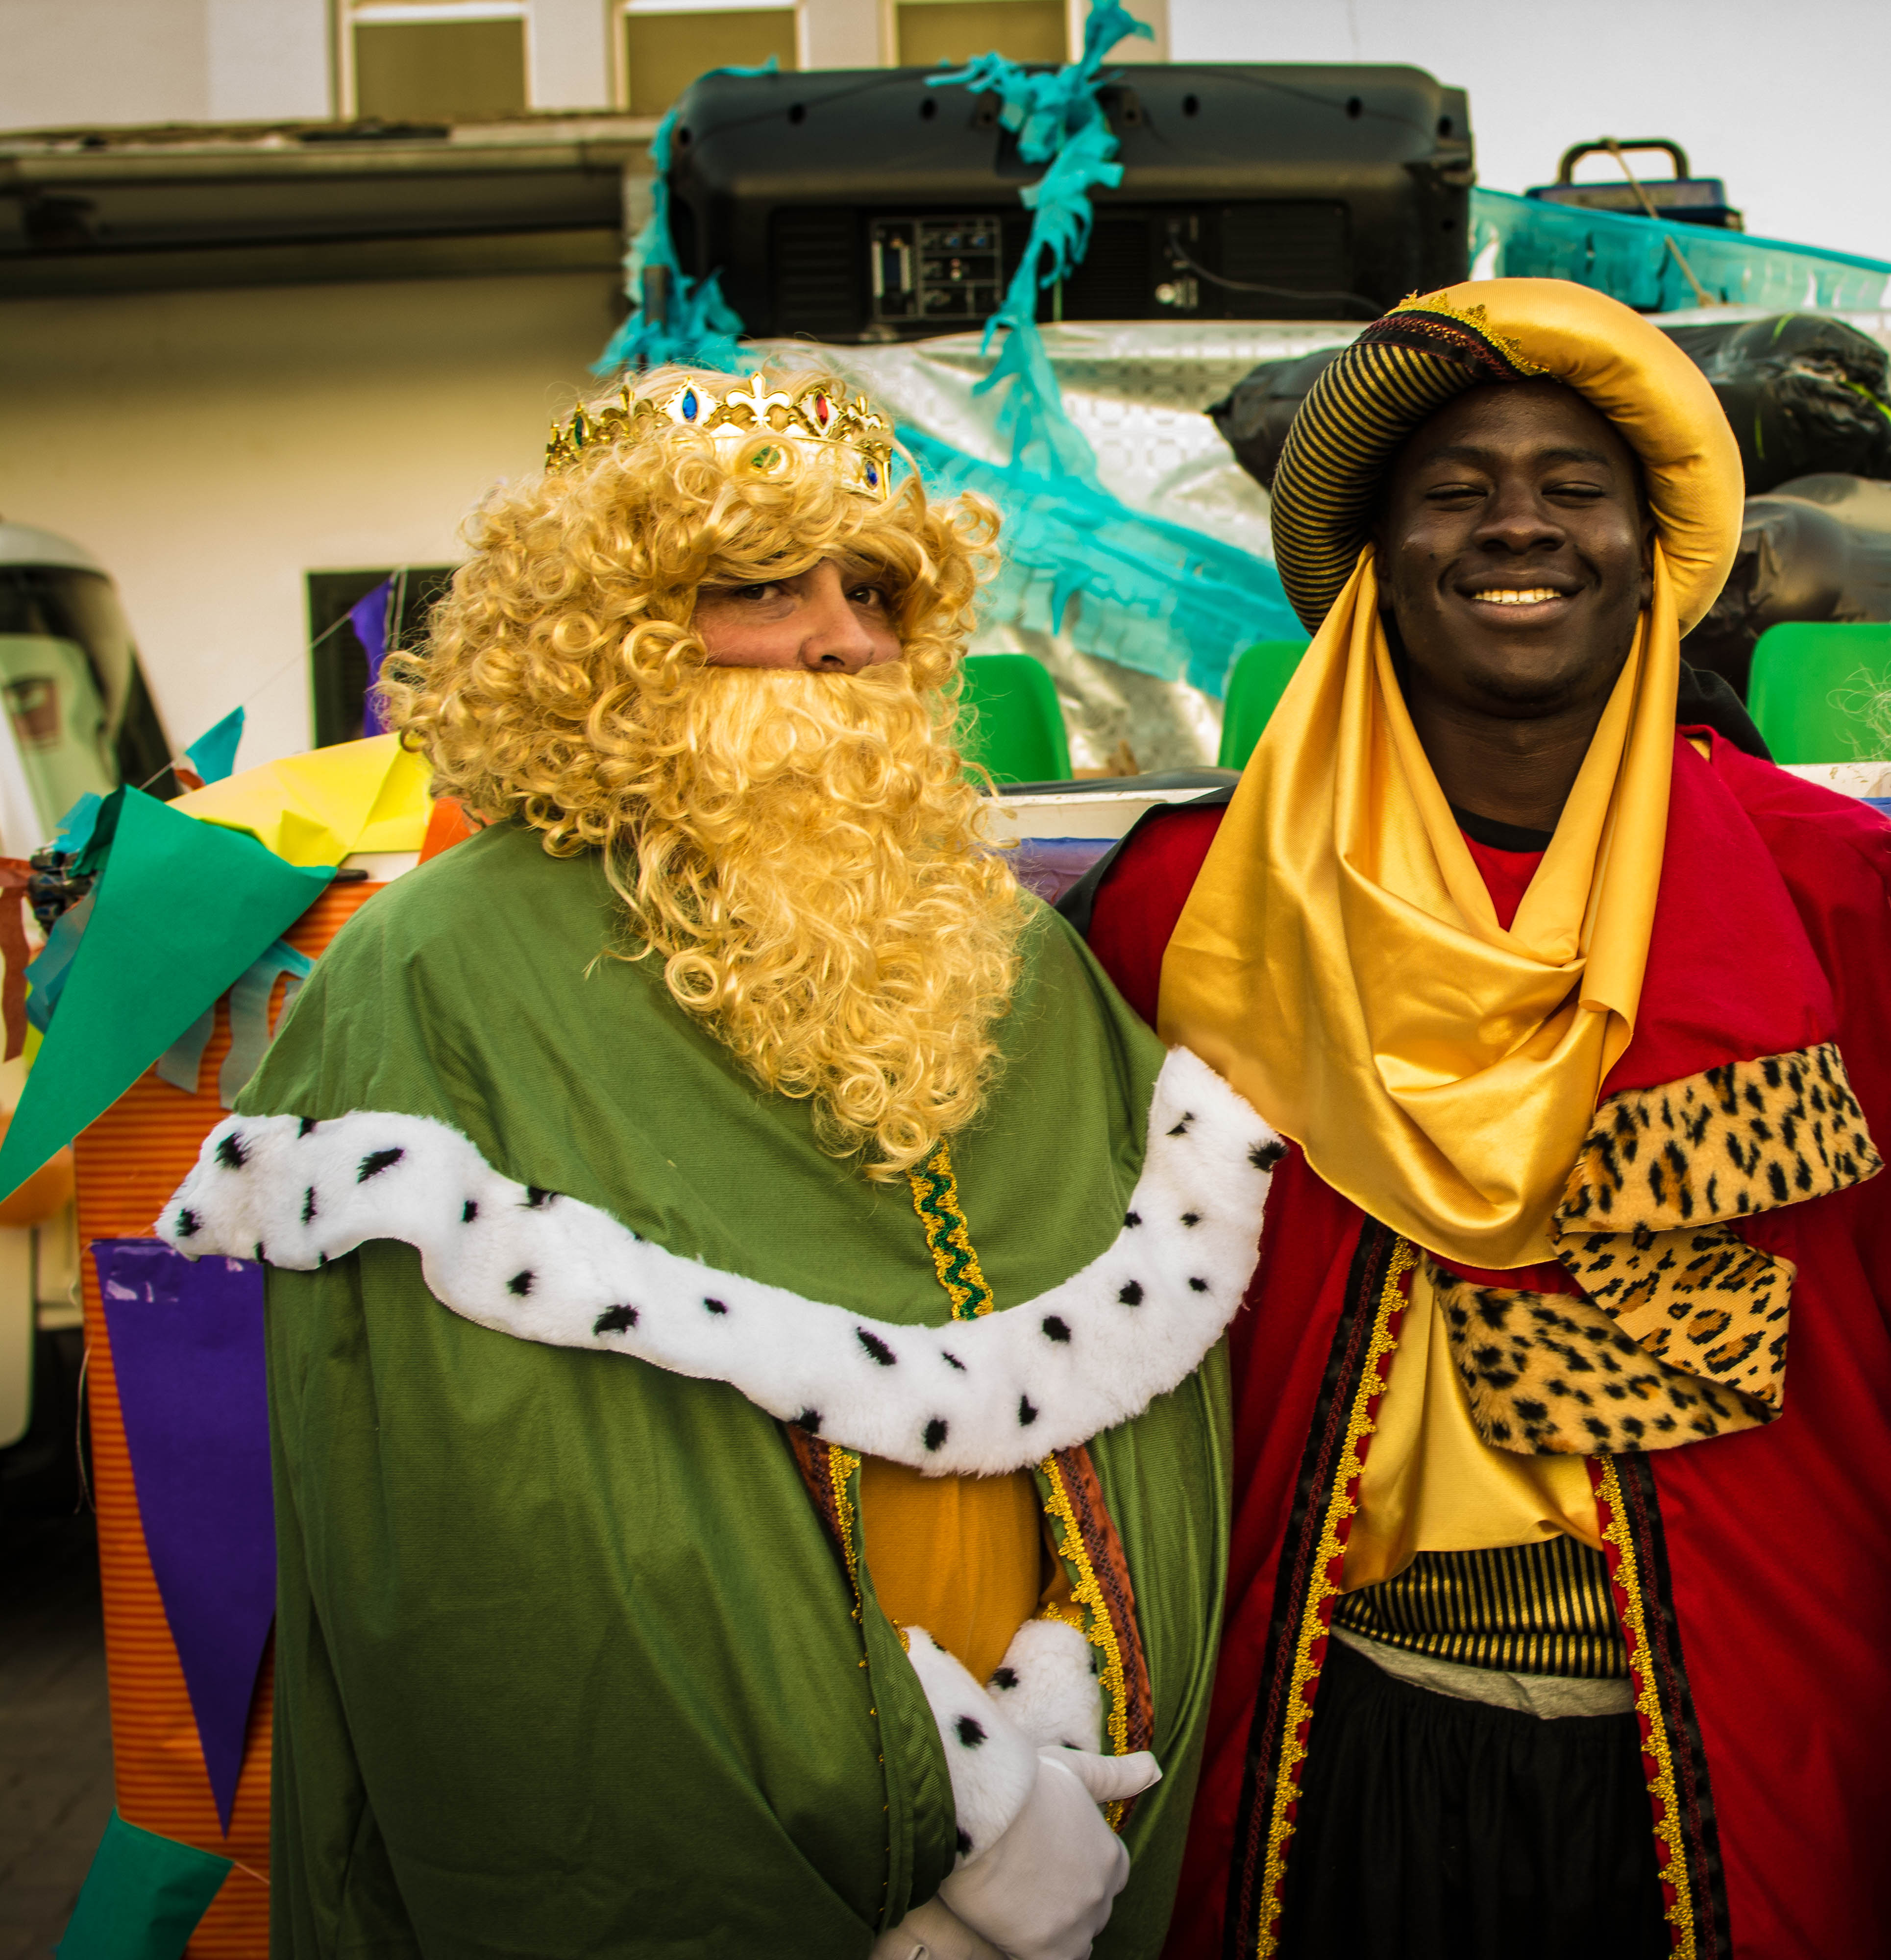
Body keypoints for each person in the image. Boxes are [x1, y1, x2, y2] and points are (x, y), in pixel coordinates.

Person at [150, 367, 1279, 1960]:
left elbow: (1166, 1440)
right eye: (760, 588)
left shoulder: (1012, 952)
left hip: (1080, 1769)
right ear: (601, 629)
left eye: (874, 594)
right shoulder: (438, 970)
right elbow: (498, 1556)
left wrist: (1064, 1772)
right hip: (701, 1823)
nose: (840, 639)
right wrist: (937, 1804)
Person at [1060, 279, 1891, 1957]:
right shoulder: (1194, 907)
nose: (1518, 525)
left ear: (1650, 551)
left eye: (1574, 488)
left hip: (1753, 1717)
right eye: (1456, 489)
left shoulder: (1841, 894)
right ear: (1376, 557)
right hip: (1326, 1730)